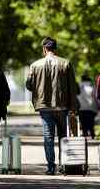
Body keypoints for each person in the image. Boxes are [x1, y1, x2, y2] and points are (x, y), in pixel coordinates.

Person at [26, 37, 77, 175]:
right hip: (62, 106)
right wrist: (74, 108)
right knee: (63, 137)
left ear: (44, 49)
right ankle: (63, 164)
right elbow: (72, 87)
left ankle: (50, 166)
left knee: (48, 138)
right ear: (55, 48)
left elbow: (29, 85)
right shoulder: (66, 63)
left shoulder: (35, 65)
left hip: (44, 106)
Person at [77, 74, 97, 139]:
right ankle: (92, 135)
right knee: (91, 123)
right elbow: (95, 96)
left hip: (81, 108)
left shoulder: (79, 86)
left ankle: (85, 136)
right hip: (91, 108)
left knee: (83, 124)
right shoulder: (92, 86)